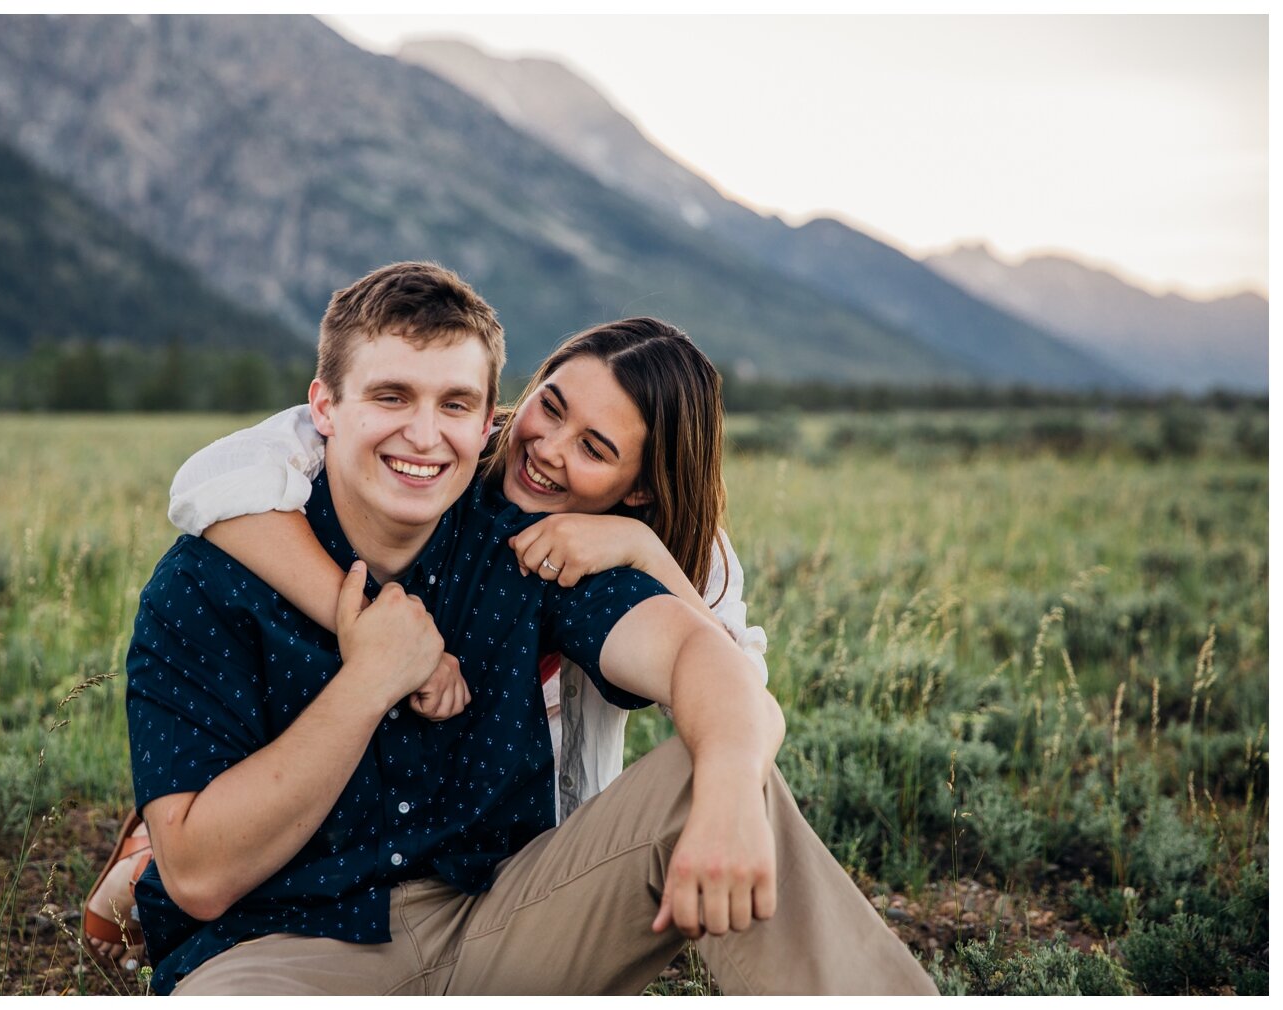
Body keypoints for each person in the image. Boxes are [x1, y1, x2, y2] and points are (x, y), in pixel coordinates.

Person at [117, 261, 937, 994]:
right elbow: (198, 878)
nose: (425, 433)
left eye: (455, 406)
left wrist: (725, 794)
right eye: (392, 396)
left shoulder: (537, 549)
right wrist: (372, 674)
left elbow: (706, 654)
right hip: (283, 950)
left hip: (504, 923)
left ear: (484, 424)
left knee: (715, 766)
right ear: (324, 407)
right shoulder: (212, 578)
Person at [84, 318, 770, 968]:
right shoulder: (445, 449)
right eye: (550, 407)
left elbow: (736, 685)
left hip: (521, 738)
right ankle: (159, 854)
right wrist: (384, 628)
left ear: (644, 487)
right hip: (390, 691)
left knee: (708, 770)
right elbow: (212, 484)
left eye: (595, 448)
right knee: (330, 755)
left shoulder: (689, 555)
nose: (550, 449)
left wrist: (643, 551)